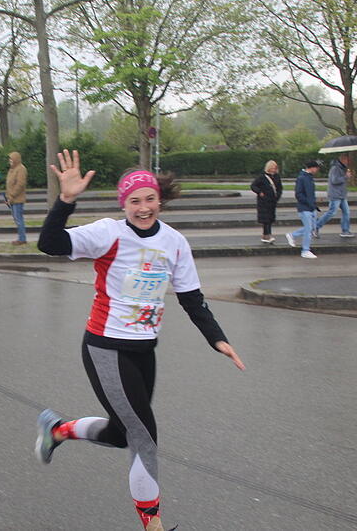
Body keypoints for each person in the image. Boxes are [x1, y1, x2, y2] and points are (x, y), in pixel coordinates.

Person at [34, 150, 245, 531]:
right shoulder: (108, 234)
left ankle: (58, 430)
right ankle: (153, 525)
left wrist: (218, 339)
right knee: (144, 437)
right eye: (134, 201)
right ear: (124, 204)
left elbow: (191, 298)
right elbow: (49, 243)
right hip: (105, 347)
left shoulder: (175, 242)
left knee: (121, 434)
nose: (143, 208)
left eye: (149, 199)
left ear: (159, 199)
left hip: (144, 351)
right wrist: (66, 199)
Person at [285, 160, 323, 259]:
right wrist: (309, 203)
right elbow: (298, 194)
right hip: (305, 208)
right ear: (312, 167)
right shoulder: (302, 178)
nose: (317, 170)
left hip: (310, 207)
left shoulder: (308, 178)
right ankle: (305, 250)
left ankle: (293, 235)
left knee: (310, 228)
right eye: (317, 168)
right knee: (308, 229)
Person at [315, 153, 354, 238]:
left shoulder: (342, 168)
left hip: (341, 194)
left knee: (346, 212)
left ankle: (345, 230)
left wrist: (346, 176)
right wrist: (345, 177)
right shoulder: (335, 168)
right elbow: (334, 180)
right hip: (335, 195)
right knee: (332, 212)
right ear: (343, 159)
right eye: (347, 160)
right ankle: (316, 226)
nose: (348, 162)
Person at [250, 160, 283, 243]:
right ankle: (267, 235)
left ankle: (266, 235)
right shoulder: (262, 177)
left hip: (272, 201)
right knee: (266, 219)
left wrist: (277, 196)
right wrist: (260, 192)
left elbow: (279, 188)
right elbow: (253, 185)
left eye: (274, 168)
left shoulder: (277, 177)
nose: (273, 169)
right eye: (272, 168)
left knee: (270, 218)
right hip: (264, 202)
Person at [6, 151, 27, 245]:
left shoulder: (21, 169)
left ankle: (22, 239)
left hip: (17, 199)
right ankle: (20, 237)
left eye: (11, 159)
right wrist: (8, 197)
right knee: (16, 219)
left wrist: (12, 195)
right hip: (12, 199)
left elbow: (20, 184)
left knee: (19, 219)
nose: (10, 161)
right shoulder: (12, 169)